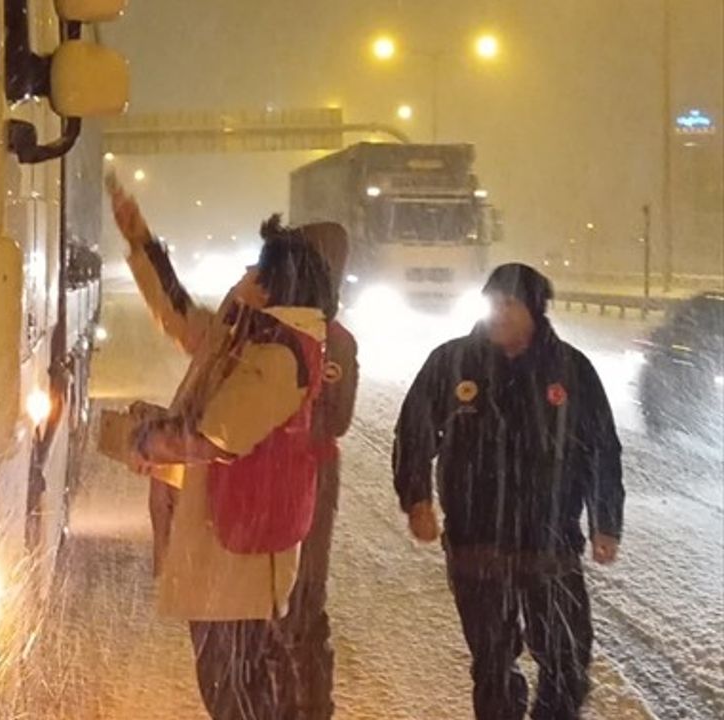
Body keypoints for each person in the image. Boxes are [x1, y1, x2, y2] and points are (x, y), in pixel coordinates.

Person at [111, 180, 340, 720]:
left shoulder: (278, 356)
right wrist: (143, 242)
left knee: (233, 690)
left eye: (252, 268)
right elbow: (181, 316)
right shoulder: (248, 335)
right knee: (230, 683)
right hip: (221, 541)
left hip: (237, 552)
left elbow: (213, 437)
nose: (242, 275)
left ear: (271, 283)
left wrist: (145, 439)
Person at [392, 263, 625, 720]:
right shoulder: (453, 363)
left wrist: (606, 520)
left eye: (509, 303)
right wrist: (416, 498)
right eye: (492, 302)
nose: (498, 313)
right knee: (493, 665)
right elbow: (414, 433)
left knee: (566, 661)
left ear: (534, 310)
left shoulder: (570, 370)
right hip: (476, 543)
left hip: (549, 543)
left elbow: (601, 449)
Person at [277, 225, 358, 720]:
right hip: (267, 478)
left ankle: (307, 705)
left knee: (302, 597)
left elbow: (337, 417)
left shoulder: (333, 342)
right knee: (269, 598)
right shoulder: (265, 327)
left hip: (308, 475)